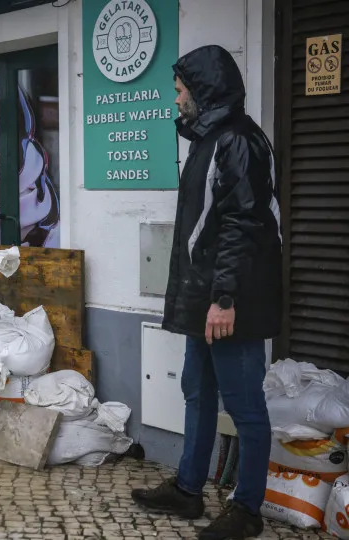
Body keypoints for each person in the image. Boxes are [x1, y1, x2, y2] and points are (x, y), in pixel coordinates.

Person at [130, 45, 282, 540]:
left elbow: (245, 224)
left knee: (244, 406)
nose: (176, 100)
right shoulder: (209, 139)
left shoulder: (239, 141)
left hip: (230, 305)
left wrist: (225, 298)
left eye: (179, 91)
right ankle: (189, 490)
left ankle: (247, 511)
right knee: (196, 392)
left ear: (202, 90)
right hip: (208, 302)